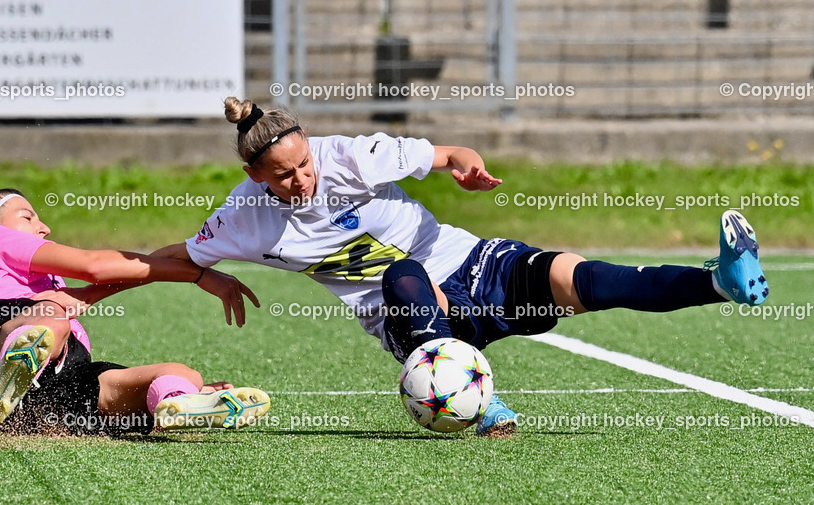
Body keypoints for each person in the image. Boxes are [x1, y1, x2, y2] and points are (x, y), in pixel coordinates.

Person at [151, 98, 769, 438]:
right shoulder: (242, 217)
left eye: (304, 163)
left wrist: (467, 167)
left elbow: (450, 153)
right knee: (399, 274)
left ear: (312, 145)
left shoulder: (353, 157)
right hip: (411, 316)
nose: (301, 178)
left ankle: (720, 281)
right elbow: (172, 257)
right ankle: (468, 394)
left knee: (579, 276)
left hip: (472, 263)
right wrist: (199, 276)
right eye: (283, 175)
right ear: (254, 176)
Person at [0, 188, 270, 436]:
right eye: (28, 217)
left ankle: (182, 402)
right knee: (51, 320)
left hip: (47, 399)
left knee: (182, 372)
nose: (43, 226)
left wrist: (180, 266)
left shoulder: (49, 285)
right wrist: (197, 274)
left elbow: (115, 277)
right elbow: (96, 266)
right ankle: (14, 361)